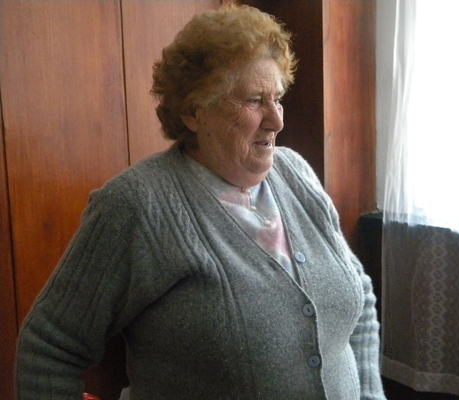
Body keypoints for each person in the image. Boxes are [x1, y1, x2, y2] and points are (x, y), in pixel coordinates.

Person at [15, 4, 386, 399]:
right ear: (194, 112)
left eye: (277, 98)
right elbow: (48, 351)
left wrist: (370, 394)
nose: (277, 120)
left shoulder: (295, 172)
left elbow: (359, 295)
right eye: (254, 100)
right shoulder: (137, 206)